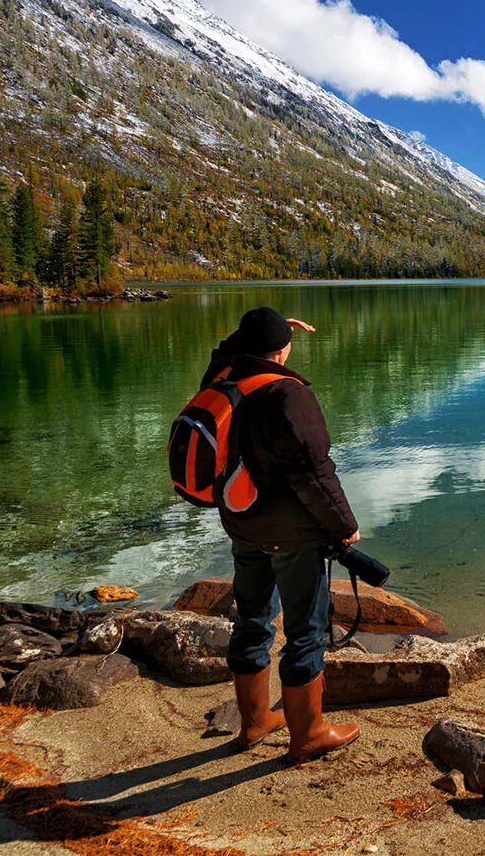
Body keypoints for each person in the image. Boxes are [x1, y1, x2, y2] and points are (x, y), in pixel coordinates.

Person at [202, 306, 361, 763]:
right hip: (292, 535)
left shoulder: (222, 379)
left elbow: (223, 353)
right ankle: (308, 732)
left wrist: (258, 333)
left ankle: (254, 722)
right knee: (305, 633)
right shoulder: (287, 394)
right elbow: (313, 471)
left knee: (252, 620)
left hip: (241, 522)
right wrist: (344, 526)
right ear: (282, 350)